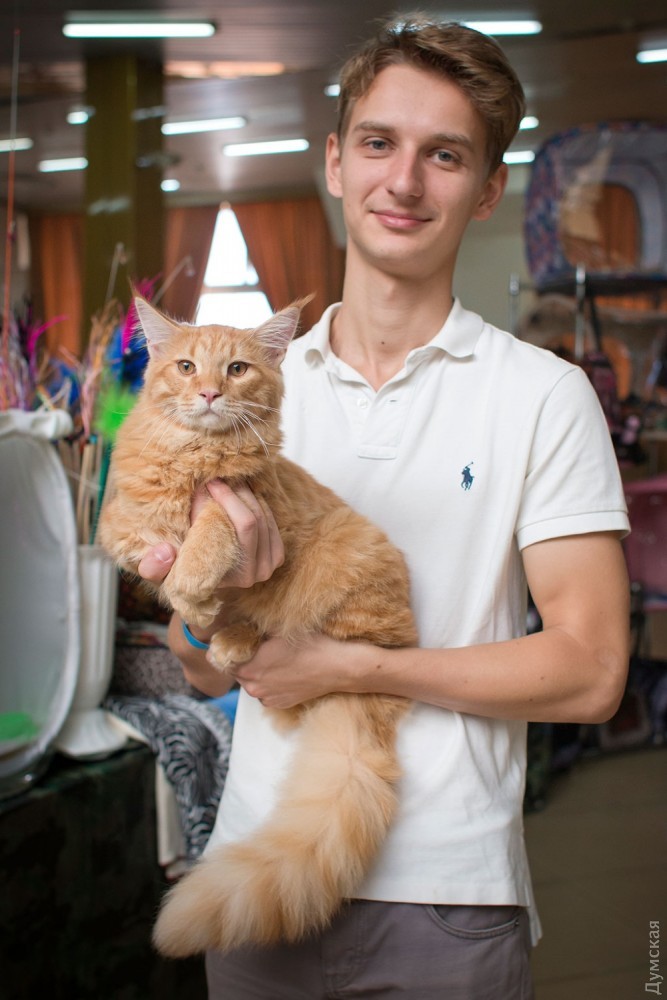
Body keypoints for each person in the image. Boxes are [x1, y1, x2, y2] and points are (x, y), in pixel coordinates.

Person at [139, 16, 630, 999]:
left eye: (442, 154)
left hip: (446, 898)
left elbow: (590, 672)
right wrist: (208, 608)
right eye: (377, 143)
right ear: (334, 160)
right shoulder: (240, 392)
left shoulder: (542, 395)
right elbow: (196, 664)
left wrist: (352, 665)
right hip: (258, 876)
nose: (402, 182)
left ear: (486, 188)